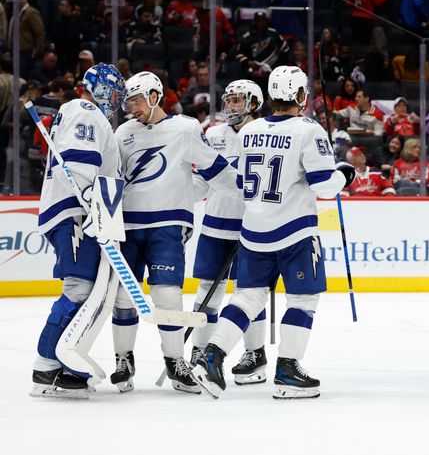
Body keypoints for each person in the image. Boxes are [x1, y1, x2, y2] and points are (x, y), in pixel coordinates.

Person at [192, 66, 356, 399]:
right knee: (303, 299)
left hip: (252, 229)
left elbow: (240, 181)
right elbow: (324, 186)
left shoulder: (250, 132)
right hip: (294, 230)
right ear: (299, 95)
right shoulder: (308, 130)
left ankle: (211, 357)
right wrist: (345, 174)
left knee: (247, 298)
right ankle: (287, 370)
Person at [111, 71, 239, 394]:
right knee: (123, 296)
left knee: (167, 295)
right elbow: (110, 178)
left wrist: (248, 192)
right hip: (126, 227)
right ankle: (123, 359)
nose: (132, 108)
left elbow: (215, 169)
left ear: (155, 96)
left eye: (137, 100)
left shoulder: (185, 129)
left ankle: (174, 362)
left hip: (167, 226)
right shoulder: (123, 132)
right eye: (128, 102)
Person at [29, 64, 125, 399]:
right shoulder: (86, 111)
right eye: (113, 91)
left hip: (77, 211)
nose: (116, 100)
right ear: (98, 89)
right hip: (76, 212)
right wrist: (89, 199)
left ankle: (56, 364)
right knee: (79, 288)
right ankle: (46, 367)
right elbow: (79, 163)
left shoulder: (79, 112)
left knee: (84, 288)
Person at [189, 80, 269, 385]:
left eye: (237, 101)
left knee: (249, 293)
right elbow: (200, 183)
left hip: (254, 227)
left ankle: (254, 354)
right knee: (206, 292)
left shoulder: (266, 134)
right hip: (215, 225)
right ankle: (198, 350)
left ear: (253, 103)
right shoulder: (213, 134)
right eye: (230, 100)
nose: (231, 106)